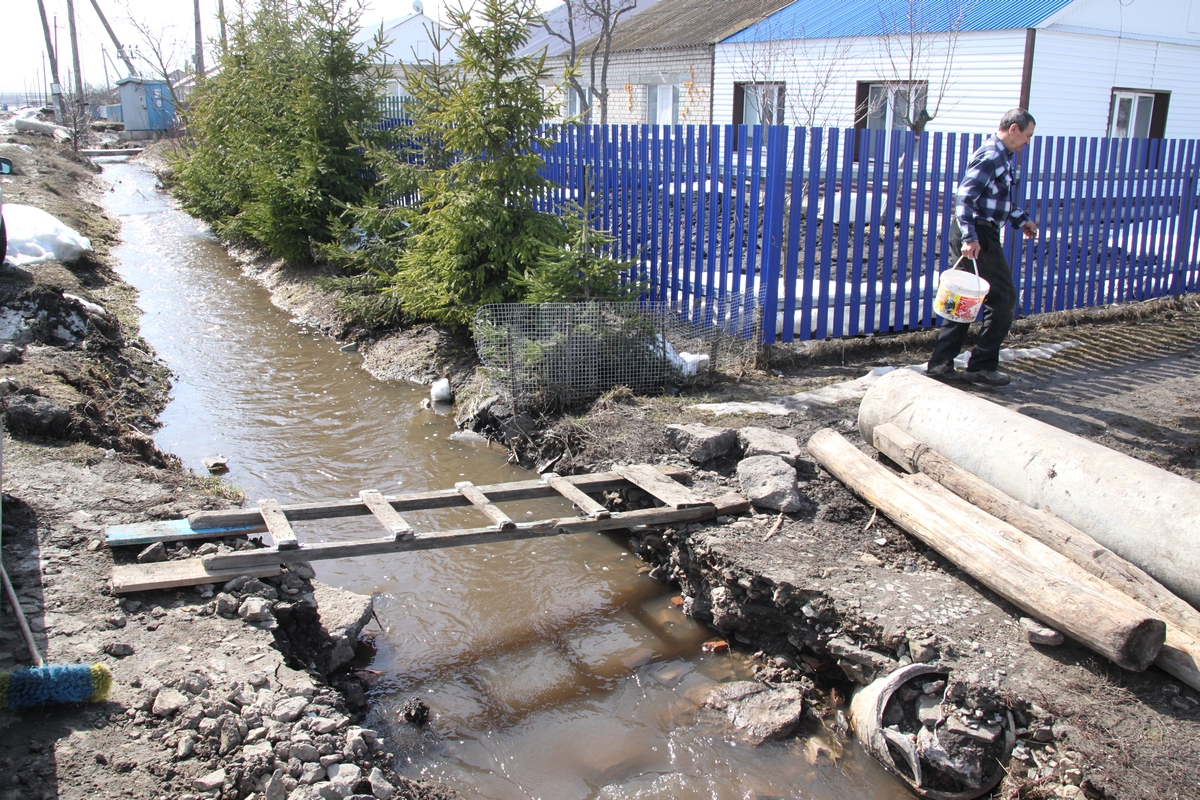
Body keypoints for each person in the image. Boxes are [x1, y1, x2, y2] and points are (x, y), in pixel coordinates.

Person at [926, 108, 1039, 386]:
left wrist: (1020, 220)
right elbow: (965, 197)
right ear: (1013, 129)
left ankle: (941, 364)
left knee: (965, 299)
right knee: (1004, 298)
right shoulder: (992, 155)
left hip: (976, 231)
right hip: (977, 234)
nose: (1027, 142)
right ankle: (981, 365)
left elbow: (996, 200)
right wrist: (969, 237)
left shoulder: (1001, 156)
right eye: (1027, 136)